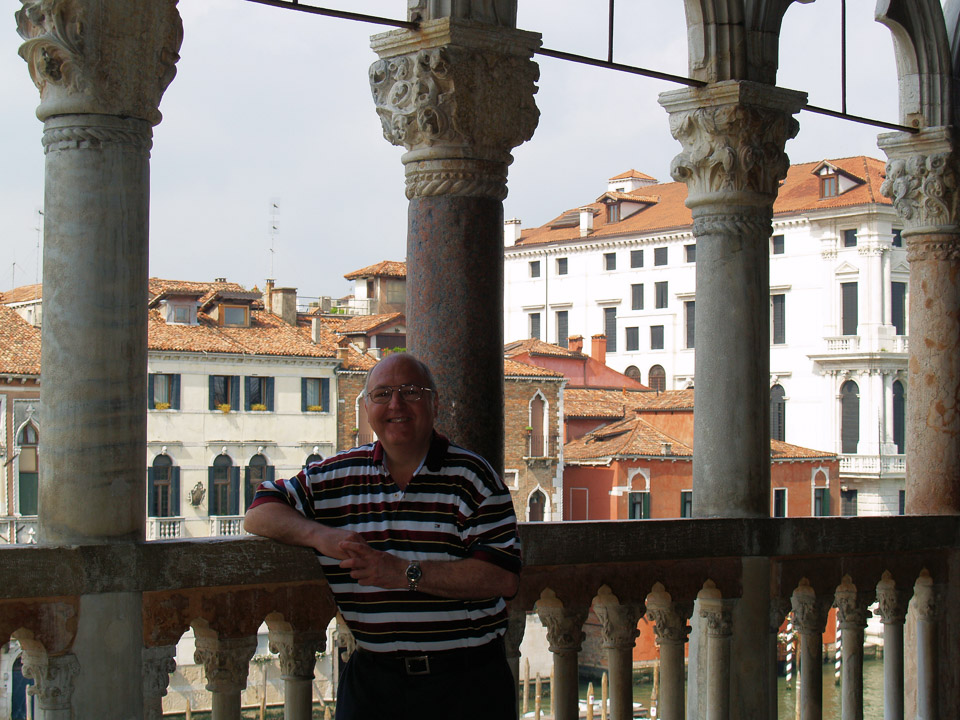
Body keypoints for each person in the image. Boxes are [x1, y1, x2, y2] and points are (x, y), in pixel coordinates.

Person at [244, 352, 521, 720]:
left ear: (434, 403)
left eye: (411, 391)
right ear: (367, 407)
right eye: (382, 394)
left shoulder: (474, 478)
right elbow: (260, 509)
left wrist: (404, 572)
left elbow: (502, 576)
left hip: (467, 685)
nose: (396, 404)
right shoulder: (338, 475)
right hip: (374, 685)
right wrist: (320, 536)